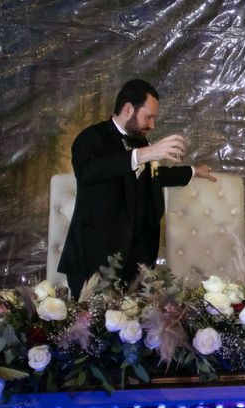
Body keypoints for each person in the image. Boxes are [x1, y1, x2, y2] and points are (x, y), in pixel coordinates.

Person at [58, 79, 216, 299]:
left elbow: (155, 176)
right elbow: (88, 171)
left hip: (135, 257)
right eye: (148, 116)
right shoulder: (91, 137)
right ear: (128, 109)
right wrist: (143, 155)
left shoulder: (139, 142)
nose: (152, 125)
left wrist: (192, 171)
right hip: (94, 256)